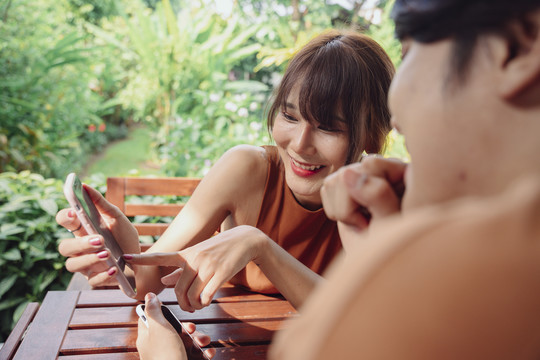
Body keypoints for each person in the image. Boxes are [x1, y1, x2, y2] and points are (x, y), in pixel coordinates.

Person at [267, 0, 540, 358]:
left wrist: (393, 263)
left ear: (514, 48)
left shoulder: (483, 273)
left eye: (409, 50)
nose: (393, 116)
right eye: (291, 116)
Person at [56, 29, 394, 313]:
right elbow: (149, 283)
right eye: (290, 117)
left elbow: (359, 316)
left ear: (371, 135)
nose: (300, 144)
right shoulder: (246, 168)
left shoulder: (379, 197)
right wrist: (127, 255)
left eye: (329, 127)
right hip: (228, 339)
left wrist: (258, 245)